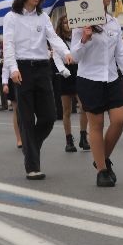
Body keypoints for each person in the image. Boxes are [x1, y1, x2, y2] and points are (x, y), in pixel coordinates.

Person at [2, 0, 73, 180]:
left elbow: (54, 38)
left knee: (49, 116)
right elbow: (8, 45)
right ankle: (32, 166)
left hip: (42, 68)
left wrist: (66, 52)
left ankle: (31, 144)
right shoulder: (11, 17)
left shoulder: (43, 17)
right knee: (25, 118)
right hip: (22, 68)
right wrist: (13, 69)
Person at [69, 0, 123, 187]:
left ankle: (101, 158)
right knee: (96, 125)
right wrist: (84, 38)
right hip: (89, 79)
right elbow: (74, 56)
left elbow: (121, 55)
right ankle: (102, 170)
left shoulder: (113, 23)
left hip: (112, 78)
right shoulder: (81, 23)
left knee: (119, 119)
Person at [53, 14, 88, 152]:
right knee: (66, 110)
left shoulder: (77, 38)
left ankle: (83, 137)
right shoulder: (58, 41)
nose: (68, 24)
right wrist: (62, 70)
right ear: (61, 26)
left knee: (83, 106)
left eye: (69, 22)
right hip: (65, 75)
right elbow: (56, 57)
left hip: (79, 72)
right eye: (65, 22)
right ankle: (68, 140)